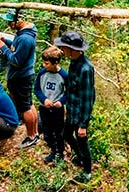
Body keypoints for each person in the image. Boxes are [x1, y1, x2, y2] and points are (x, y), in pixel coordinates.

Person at [54, 30, 95, 182]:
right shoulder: (73, 62)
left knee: (82, 139)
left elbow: (88, 98)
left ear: (73, 49)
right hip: (71, 110)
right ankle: (80, 157)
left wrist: (83, 124)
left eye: (64, 47)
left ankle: (87, 171)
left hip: (80, 114)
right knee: (66, 134)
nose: (62, 50)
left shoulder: (86, 69)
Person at [0, 10, 39, 148]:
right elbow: (16, 47)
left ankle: (31, 136)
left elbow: (16, 60)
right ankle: (35, 133)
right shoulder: (23, 35)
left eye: (10, 21)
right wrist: (7, 42)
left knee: (25, 107)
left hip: (21, 77)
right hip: (22, 76)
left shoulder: (25, 38)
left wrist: (3, 48)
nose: (8, 24)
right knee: (28, 104)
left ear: (19, 20)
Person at [34, 46, 68, 164]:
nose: (44, 65)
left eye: (47, 63)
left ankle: (60, 153)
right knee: (47, 133)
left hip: (57, 110)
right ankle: (53, 151)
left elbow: (69, 92)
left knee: (58, 133)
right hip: (44, 108)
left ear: (55, 63)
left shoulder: (64, 75)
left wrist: (61, 102)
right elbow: (37, 89)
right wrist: (44, 100)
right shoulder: (42, 73)